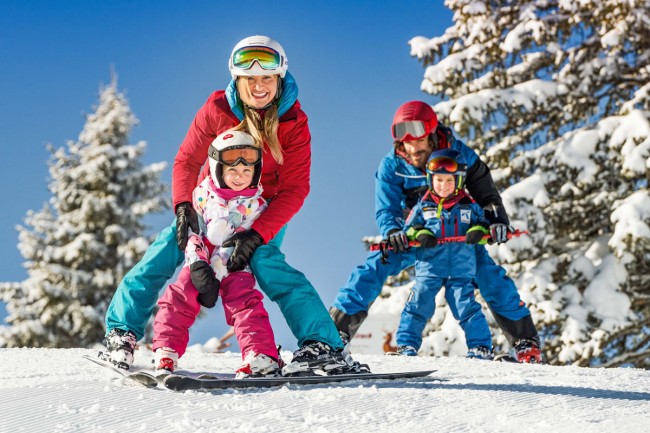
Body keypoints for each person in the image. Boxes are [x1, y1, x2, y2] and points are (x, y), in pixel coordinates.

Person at [101, 35, 365, 375]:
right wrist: (184, 207)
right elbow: (186, 161)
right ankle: (121, 331)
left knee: (268, 264)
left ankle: (322, 345)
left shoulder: (293, 124)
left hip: (259, 211)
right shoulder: (217, 110)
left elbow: (295, 188)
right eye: (250, 79)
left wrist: (256, 234)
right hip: (210, 203)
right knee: (165, 250)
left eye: (266, 78)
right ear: (237, 80)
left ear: (279, 78)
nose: (258, 86)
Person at [330, 100, 542, 363]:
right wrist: (394, 232)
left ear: (431, 133)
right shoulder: (392, 166)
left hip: (460, 235)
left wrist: (496, 221)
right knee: (373, 267)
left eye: (418, 138)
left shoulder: (459, 154)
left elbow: (486, 193)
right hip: (418, 237)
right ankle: (333, 336)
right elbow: (386, 209)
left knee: (492, 277)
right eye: (404, 138)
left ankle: (525, 345)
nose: (412, 146)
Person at [152, 130, 280, 378]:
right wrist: (198, 264)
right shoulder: (201, 195)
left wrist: (219, 271)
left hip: (234, 262)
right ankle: (165, 349)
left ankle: (260, 355)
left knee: (244, 302)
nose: (239, 177)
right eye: (232, 170)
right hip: (200, 259)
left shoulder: (257, 205)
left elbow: (241, 239)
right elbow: (193, 232)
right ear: (218, 168)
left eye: (247, 171)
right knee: (180, 294)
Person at [394, 148, 494, 359]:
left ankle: (480, 347)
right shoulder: (424, 207)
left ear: (458, 181)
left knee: (466, 306)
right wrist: (420, 233)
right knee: (418, 302)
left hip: (460, 269)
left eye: (449, 181)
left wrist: (478, 231)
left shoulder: (469, 206)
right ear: (431, 180)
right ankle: (406, 346)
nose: (443, 186)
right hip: (430, 267)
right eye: (439, 180)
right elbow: (409, 228)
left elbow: (485, 225)